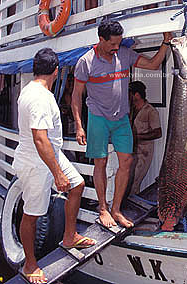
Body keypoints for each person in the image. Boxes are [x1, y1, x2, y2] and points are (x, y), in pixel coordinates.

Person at [72, 18, 172, 229]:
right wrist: (79, 125)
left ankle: (116, 209)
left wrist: (165, 43)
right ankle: (102, 208)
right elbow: (76, 96)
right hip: (98, 117)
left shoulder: (124, 54)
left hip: (121, 119)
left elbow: (153, 65)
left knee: (126, 162)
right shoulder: (86, 62)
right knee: (100, 163)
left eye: (119, 43)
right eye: (112, 44)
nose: (116, 47)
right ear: (101, 39)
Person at [12, 48, 95, 284]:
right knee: (32, 215)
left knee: (77, 185)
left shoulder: (33, 89)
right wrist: (57, 174)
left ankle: (69, 236)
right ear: (56, 71)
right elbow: (40, 139)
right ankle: (30, 265)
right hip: (37, 162)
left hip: (50, 154)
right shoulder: (39, 97)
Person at [128, 81, 162, 195]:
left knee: (134, 183)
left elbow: (158, 133)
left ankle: (131, 209)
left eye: (130, 93)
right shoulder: (131, 109)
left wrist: (136, 137)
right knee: (126, 181)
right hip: (130, 151)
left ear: (137, 95)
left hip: (143, 152)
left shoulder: (150, 111)